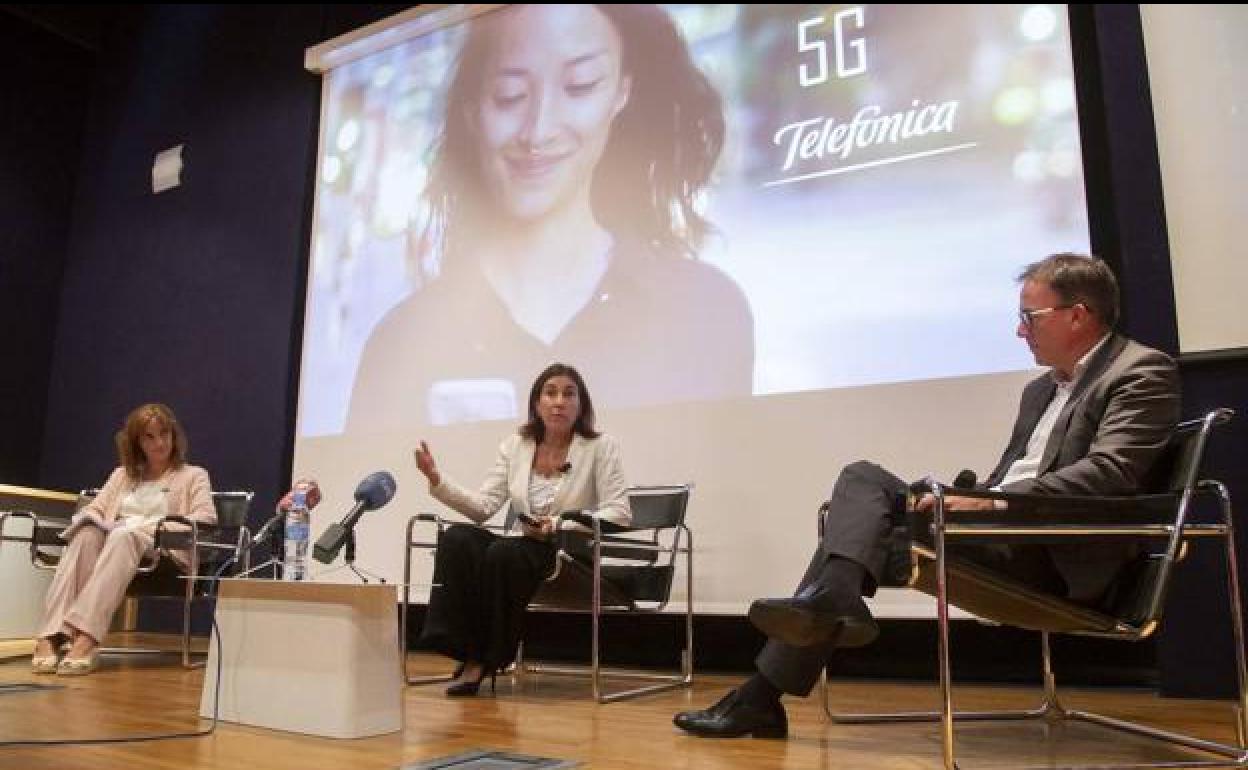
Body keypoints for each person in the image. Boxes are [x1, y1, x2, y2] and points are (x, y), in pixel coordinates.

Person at [674, 253, 1181, 738]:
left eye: (1030, 317)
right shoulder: (1040, 391)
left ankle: (771, 682)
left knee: (853, 544)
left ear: (1078, 315)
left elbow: (1111, 472)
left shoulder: (1139, 370)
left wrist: (996, 502)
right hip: (1007, 529)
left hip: (1054, 552)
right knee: (864, 479)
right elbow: (1013, 474)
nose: (1020, 330)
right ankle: (818, 620)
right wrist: (972, 496)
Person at [347, 4, 753, 432]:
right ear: (472, 111)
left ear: (622, 92)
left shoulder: (707, 312)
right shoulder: (400, 345)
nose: (538, 131)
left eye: (580, 86)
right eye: (510, 96)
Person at [412, 362, 630, 695]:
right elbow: (483, 508)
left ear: (581, 404)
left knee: (503, 551)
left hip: (565, 550)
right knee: (458, 538)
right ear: (536, 403)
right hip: (524, 545)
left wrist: (558, 523)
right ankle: (463, 647)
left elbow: (619, 513)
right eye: (550, 393)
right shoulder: (516, 445)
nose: (559, 401)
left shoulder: (599, 446)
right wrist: (436, 480)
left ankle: (485, 661)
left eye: (569, 394)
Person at [31, 403, 216, 676]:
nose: (160, 443)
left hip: (163, 554)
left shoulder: (193, 475)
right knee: (86, 534)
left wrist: (151, 529)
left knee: (124, 534)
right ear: (136, 443)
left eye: (164, 434)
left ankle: (86, 639)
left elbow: (205, 519)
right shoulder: (122, 475)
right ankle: (51, 634)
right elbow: (95, 508)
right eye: (150, 437)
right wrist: (94, 518)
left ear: (174, 436)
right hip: (116, 547)